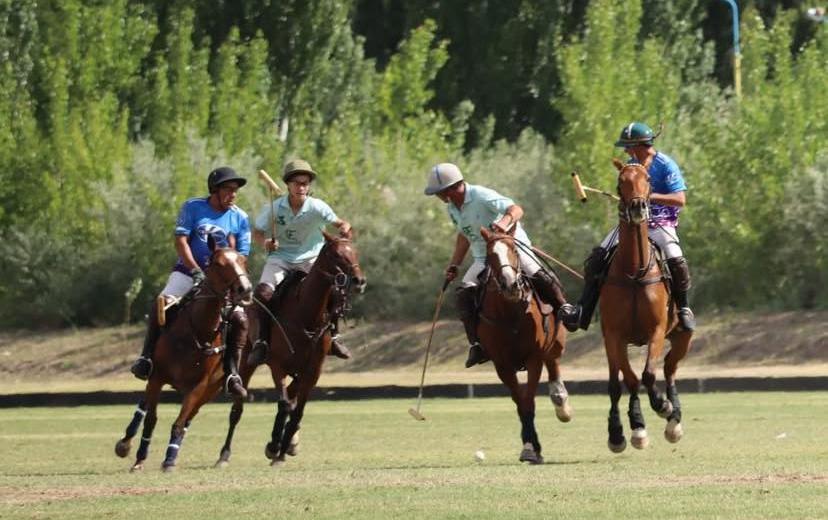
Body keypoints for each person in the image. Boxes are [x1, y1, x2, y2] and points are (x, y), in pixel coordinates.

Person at [424, 162, 570, 368]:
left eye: (439, 193)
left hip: (512, 251)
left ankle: (565, 309)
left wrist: (503, 223)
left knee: (538, 273)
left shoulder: (480, 195)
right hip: (483, 258)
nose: (438, 197)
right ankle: (477, 344)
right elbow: (464, 237)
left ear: (451, 189)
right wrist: (454, 264)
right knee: (464, 293)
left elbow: (516, 209)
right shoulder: (452, 209)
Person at [559, 122, 696, 332]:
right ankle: (582, 310)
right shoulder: (631, 166)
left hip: (661, 223)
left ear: (640, 145)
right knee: (597, 258)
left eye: (627, 146)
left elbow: (680, 199)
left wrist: (649, 196)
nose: (625, 150)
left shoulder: (665, 164)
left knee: (676, 259)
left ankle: (684, 308)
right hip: (632, 224)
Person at [130, 166, 252, 398]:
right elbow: (181, 242)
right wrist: (196, 270)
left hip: (222, 281)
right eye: (228, 189)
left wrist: (228, 278)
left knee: (240, 319)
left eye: (235, 190)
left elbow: (242, 254)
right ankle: (146, 358)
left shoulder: (240, 217)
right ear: (214, 190)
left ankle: (232, 374)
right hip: (188, 272)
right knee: (162, 303)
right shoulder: (193, 207)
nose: (233, 194)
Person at [247, 159, 354, 366]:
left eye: (305, 183)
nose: (301, 187)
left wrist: (344, 228)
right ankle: (262, 342)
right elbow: (256, 233)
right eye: (297, 183)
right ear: (288, 185)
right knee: (262, 293)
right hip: (280, 259)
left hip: (310, 259)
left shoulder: (317, 207)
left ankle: (334, 336)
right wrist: (266, 243)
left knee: (333, 290)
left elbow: (342, 222)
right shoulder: (275, 208)